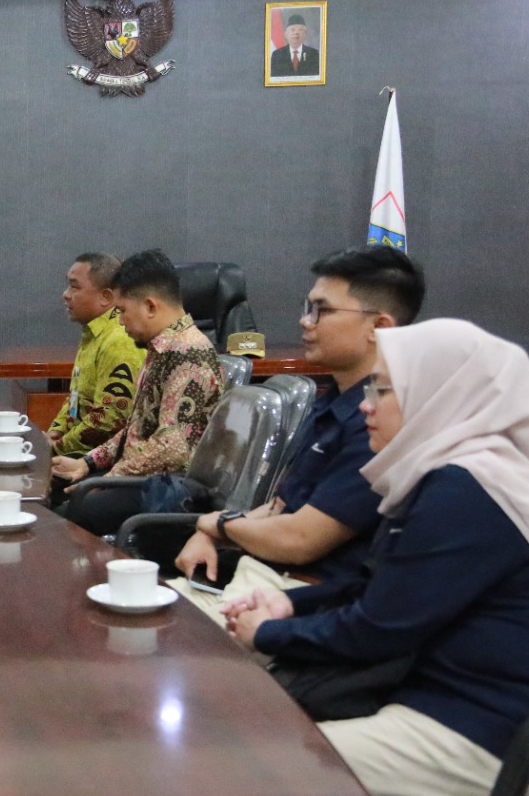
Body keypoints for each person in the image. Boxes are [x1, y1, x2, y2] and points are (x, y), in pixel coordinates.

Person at [224, 320, 529, 796]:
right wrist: (286, 604)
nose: (365, 404)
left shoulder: (469, 490)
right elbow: (378, 587)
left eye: (383, 390)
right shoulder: (453, 474)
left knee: (250, 764)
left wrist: (267, 633)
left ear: (439, 394)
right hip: (447, 701)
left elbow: (379, 628)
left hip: (491, 731)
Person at [175, 246, 425, 586]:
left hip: (317, 598)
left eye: (321, 310)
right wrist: (215, 531)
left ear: (378, 326)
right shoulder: (332, 402)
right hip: (269, 578)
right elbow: (280, 507)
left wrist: (216, 526)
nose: (305, 321)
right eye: (308, 308)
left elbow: (300, 540)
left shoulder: (381, 420)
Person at [51, 249, 223, 537]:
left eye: (122, 311)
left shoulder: (189, 354)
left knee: (69, 516)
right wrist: (87, 463)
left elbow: (173, 449)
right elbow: (135, 427)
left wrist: (110, 479)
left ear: (150, 307)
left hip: (164, 488)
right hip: (140, 476)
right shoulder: (161, 349)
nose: (119, 321)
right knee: (56, 487)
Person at [45, 252, 147, 457]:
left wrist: (57, 447)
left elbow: (110, 420)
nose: (66, 294)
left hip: (107, 459)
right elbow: (78, 399)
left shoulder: (119, 340)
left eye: (74, 286)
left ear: (106, 297)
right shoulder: (93, 333)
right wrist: (55, 432)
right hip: (82, 451)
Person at [269, 12, 321, 77]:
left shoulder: (314, 54)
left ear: (305, 34)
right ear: (286, 34)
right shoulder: (277, 55)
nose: (296, 33)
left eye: (300, 30)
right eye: (292, 30)